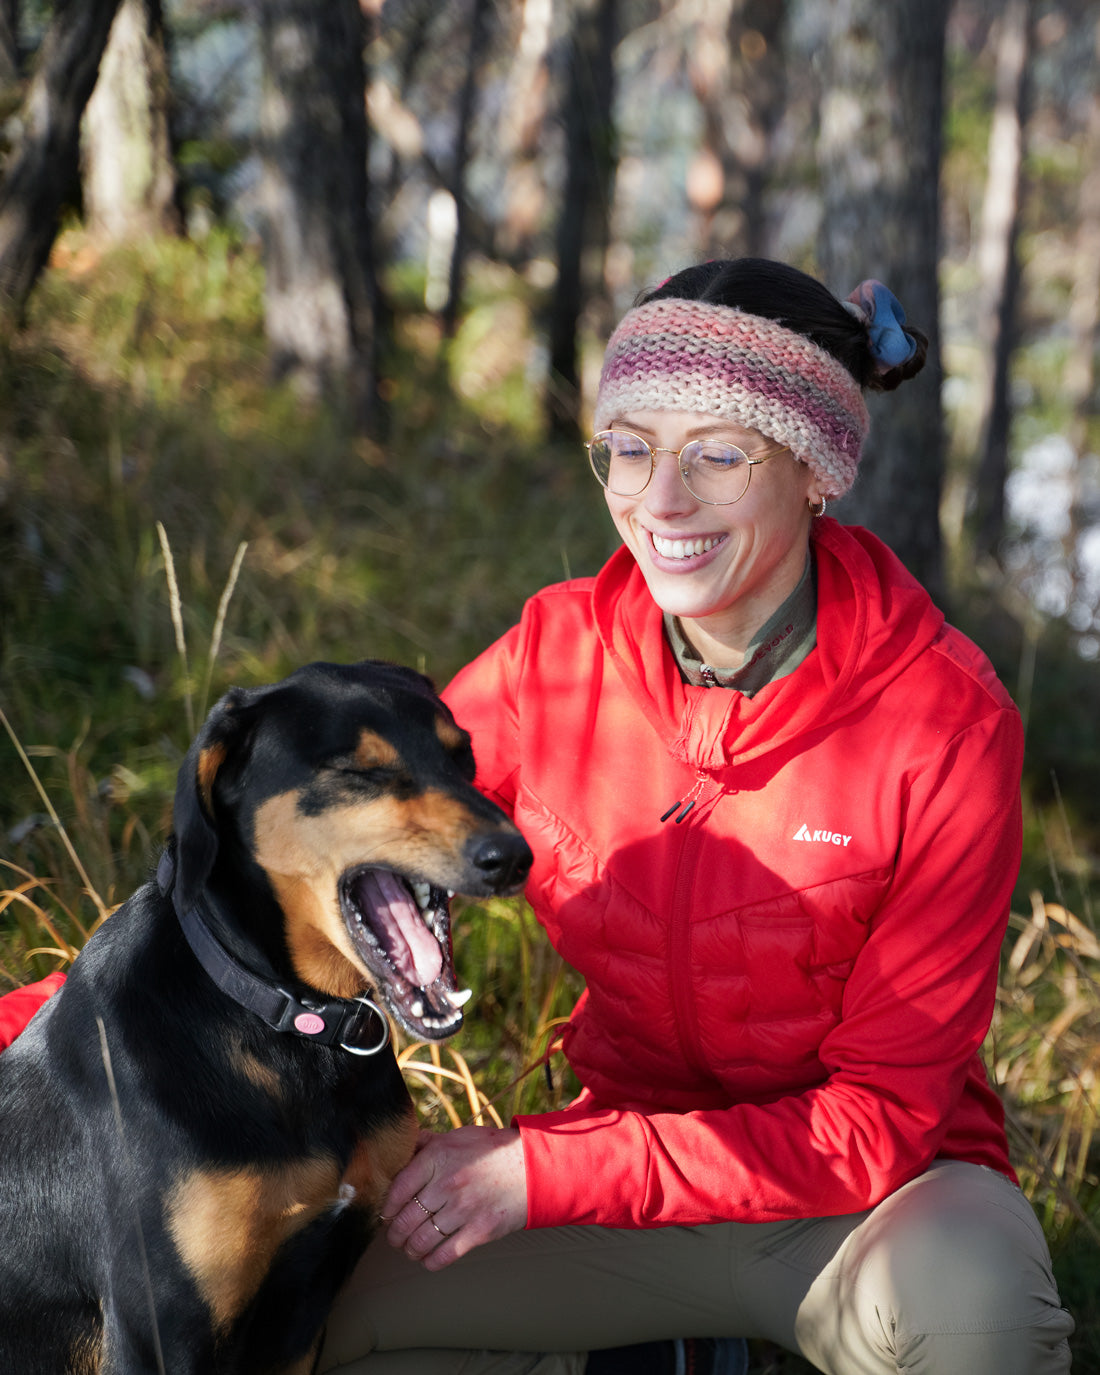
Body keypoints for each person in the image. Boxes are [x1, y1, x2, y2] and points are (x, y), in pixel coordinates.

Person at [0, 259, 1074, 1374]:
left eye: (717, 453)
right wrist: (46, 1041)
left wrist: (550, 1173)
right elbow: (316, 861)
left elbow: (876, 1123)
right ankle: (675, 1348)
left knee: (968, 1321)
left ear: (814, 469)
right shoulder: (558, 658)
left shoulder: (941, 723)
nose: (659, 501)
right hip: (625, 1192)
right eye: (629, 447)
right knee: (331, 1317)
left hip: (870, 1206)